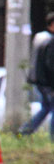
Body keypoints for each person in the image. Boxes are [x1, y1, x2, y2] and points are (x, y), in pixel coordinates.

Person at [19, 11, 54, 139]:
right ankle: (52, 139)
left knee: (45, 109)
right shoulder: (51, 41)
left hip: (38, 81)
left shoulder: (40, 38)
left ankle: (23, 132)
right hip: (47, 83)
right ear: (51, 25)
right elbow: (51, 66)